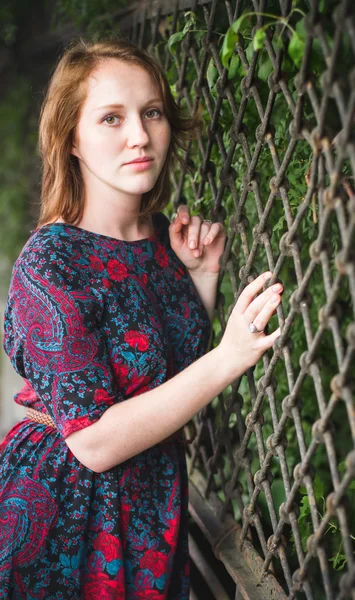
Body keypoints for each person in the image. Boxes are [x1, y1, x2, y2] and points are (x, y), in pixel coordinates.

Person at [0, 38, 283, 598]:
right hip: (70, 518)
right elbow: (94, 443)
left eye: (151, 112)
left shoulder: (157, 242)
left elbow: (161, 377)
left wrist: (198, 278)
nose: (140, 135)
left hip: (151, 509)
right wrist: (228, 359)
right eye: (111, 118)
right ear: (71, 139)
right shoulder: (49, 264)